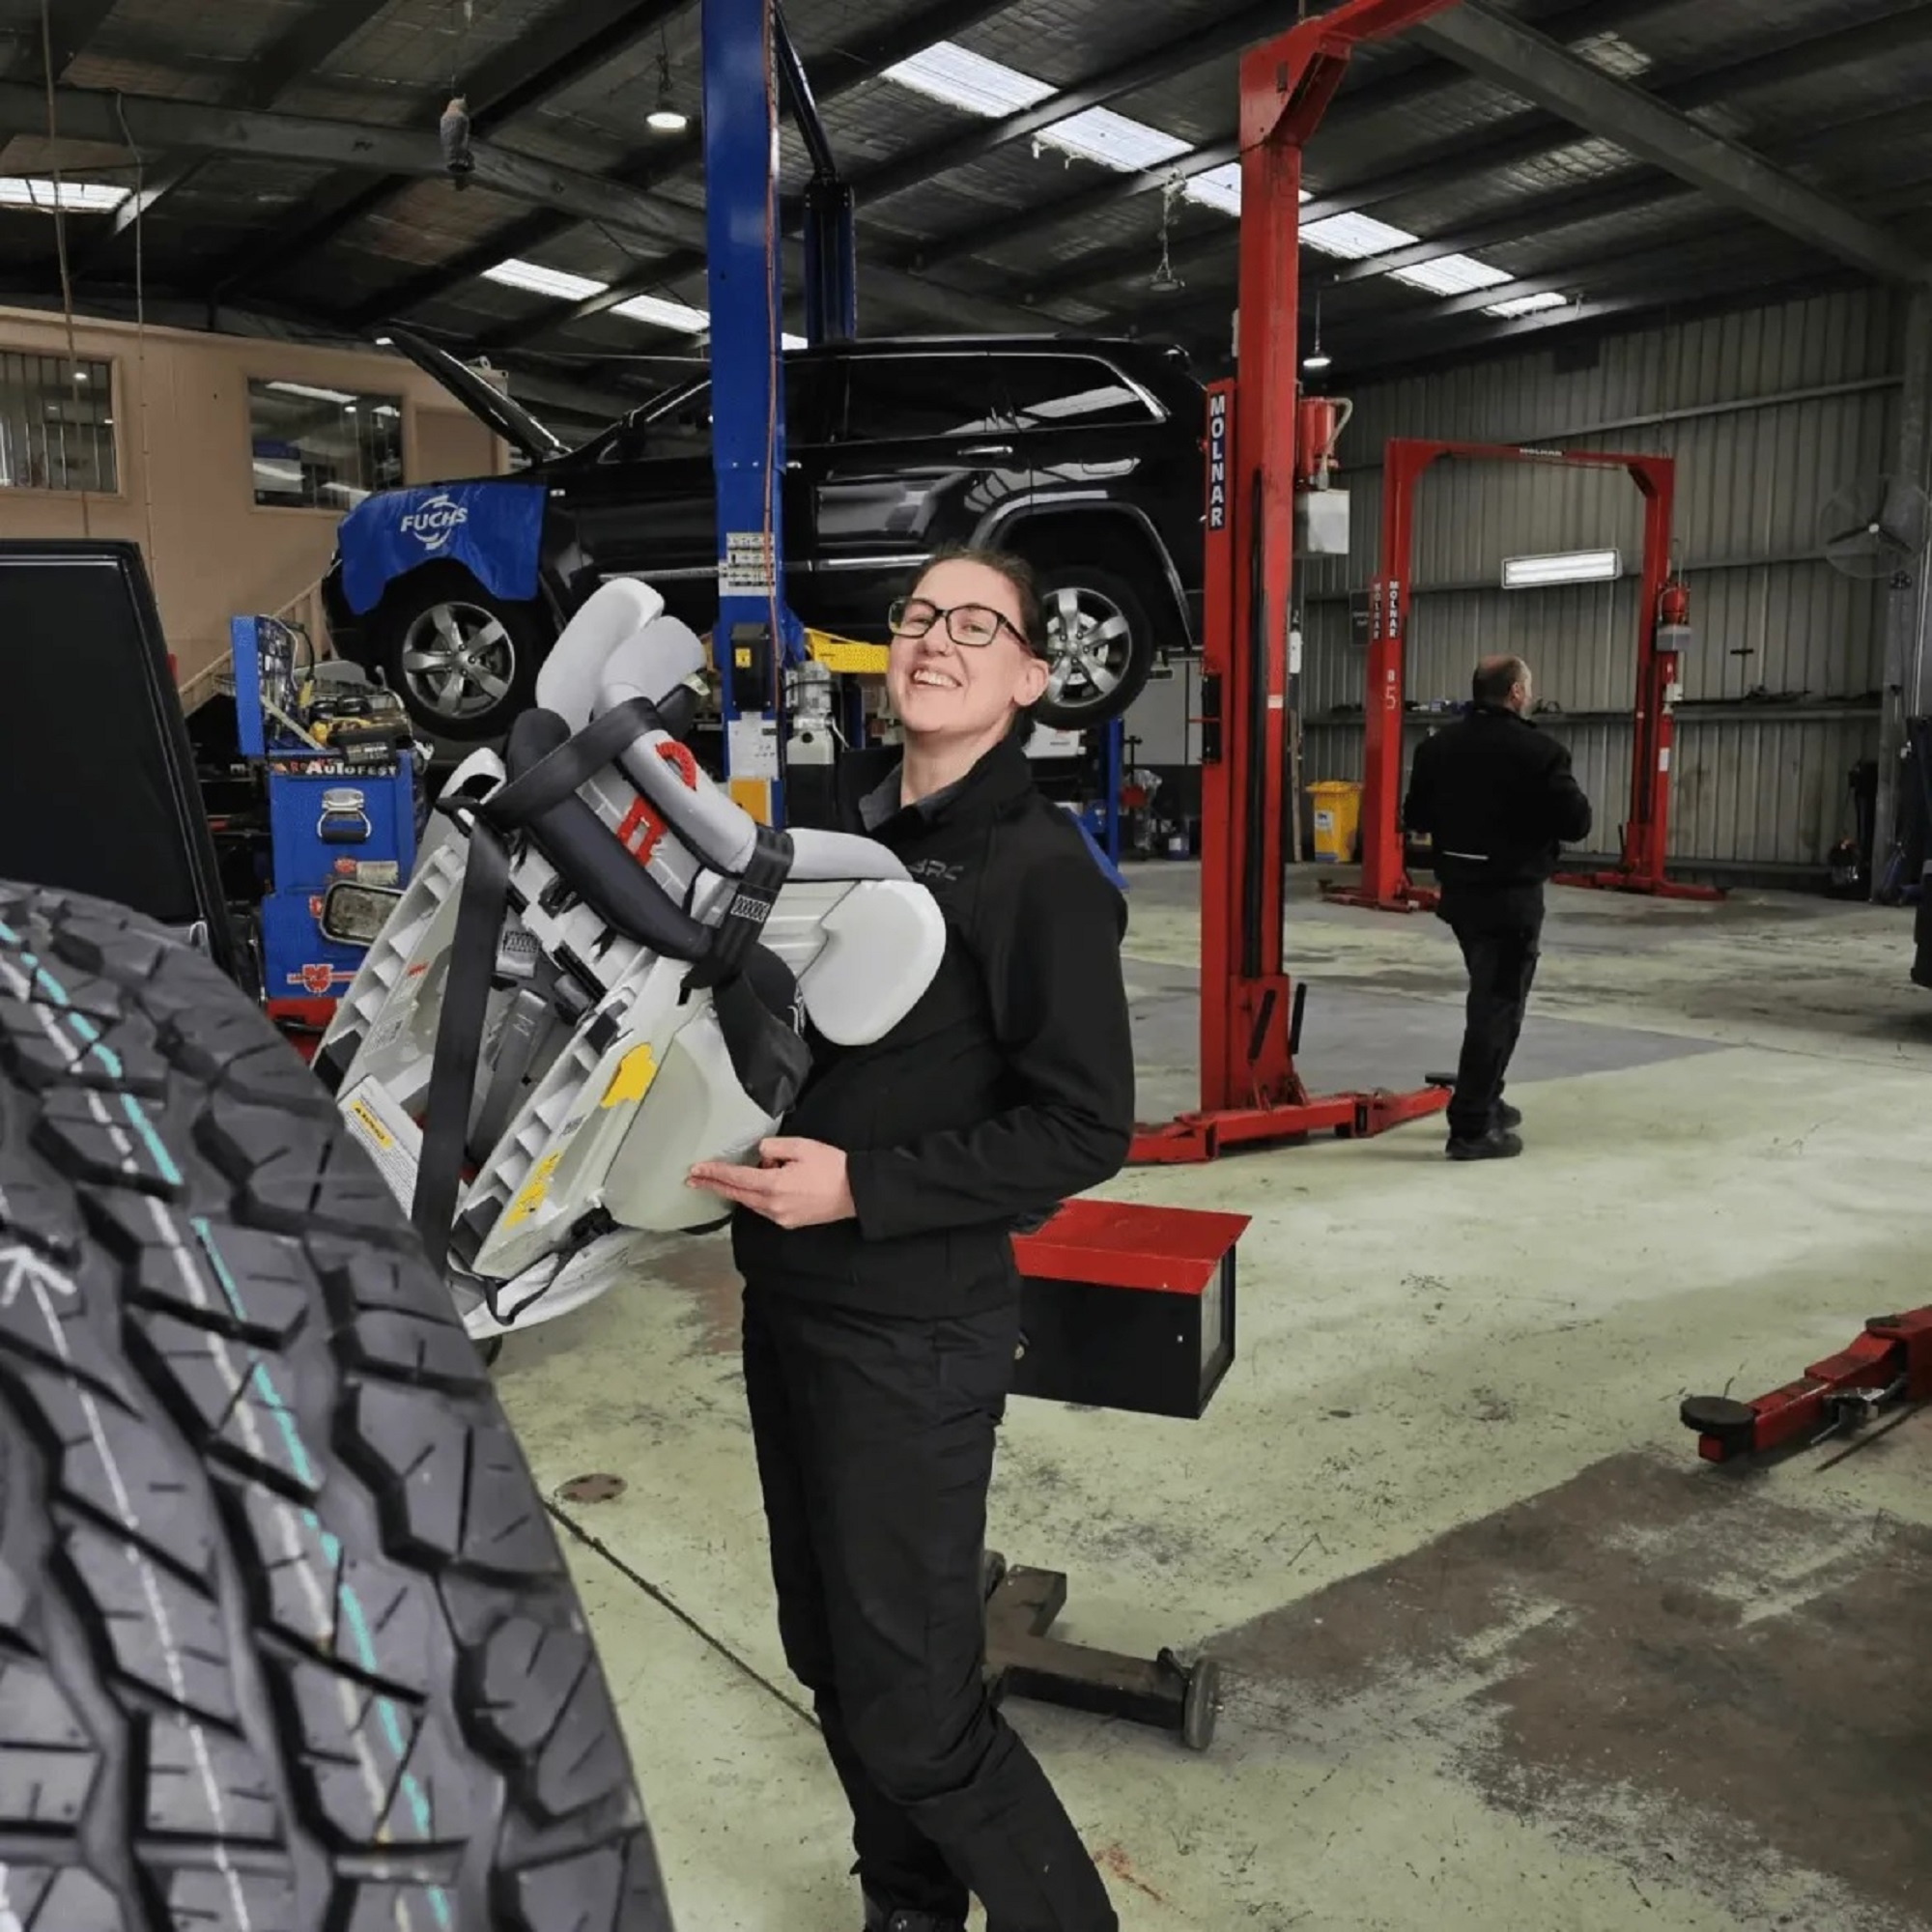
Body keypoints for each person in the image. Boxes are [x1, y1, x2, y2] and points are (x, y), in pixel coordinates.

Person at [688, 545, 1134, 1932]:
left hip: (912, 1333)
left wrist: (863, 1189)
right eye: (919, 616)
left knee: (919, 1709)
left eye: (976, 624)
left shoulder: (1037, 869)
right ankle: (909, 1908)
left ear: (1031, 677)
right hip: (792, 1303)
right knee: (830, 1653)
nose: (937, 639)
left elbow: (1083, 1127)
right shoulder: (854, 841)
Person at [1402, 653, 1592, 1162]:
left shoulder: (1437, 747)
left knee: (1489, 997)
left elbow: (1415, 815)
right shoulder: (1540, 752)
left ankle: (1485, 1099)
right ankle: (1471, 1125)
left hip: (1460, 894)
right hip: (1510, 896)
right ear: (1515, 693)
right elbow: (1577, 823)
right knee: (1498, 1006)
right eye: (1527, 687)